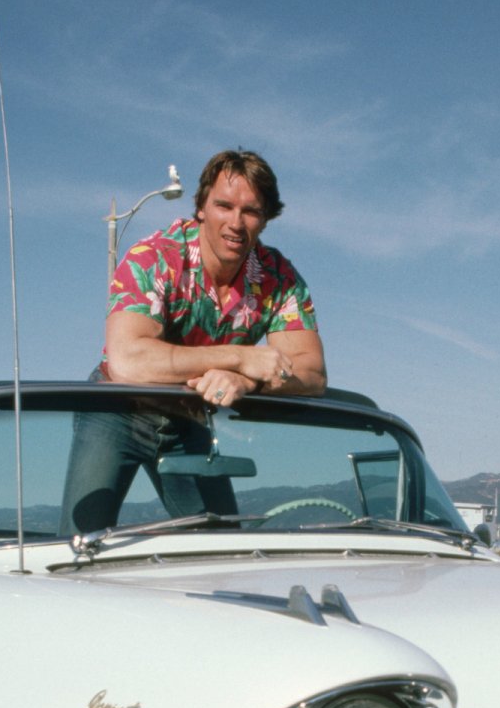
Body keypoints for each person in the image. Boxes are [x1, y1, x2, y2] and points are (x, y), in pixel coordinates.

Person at [61, 149, 326, 534]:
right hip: (116, 408)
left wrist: (247, 380)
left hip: (190, 416)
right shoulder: (153, 257)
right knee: (79, 543)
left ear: (266, 218)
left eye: (251, 211)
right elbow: (129, 360)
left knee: (224, 544)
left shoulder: (278, 278)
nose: (235, 223)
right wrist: (240, 358)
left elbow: (312, 372)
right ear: (201, 207)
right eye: (224, 206)